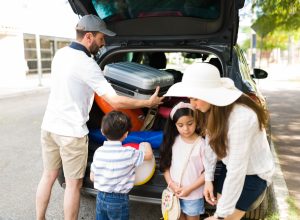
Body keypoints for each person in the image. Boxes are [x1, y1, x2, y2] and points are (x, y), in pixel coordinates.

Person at [36, 14, 163, 220]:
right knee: (73, 184)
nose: (103, 43)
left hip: (49, 126)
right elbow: (115, 102)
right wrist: (148, 103)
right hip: (71, 133)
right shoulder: (86, 63)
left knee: (48, 176)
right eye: (101, 38)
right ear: (88, 36)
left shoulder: (60, 54)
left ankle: (39, 218)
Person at [164, 63, 275, 220]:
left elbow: (237, 170)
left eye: (195, 98)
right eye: (190, 98)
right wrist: (208, 179)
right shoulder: (210, 109)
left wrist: (220, 216)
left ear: (210, 95)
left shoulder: (242, 118)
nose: (192, 104)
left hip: (253, 174)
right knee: (221, 207)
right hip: (228, 167)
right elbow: (211, 143)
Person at [90, 110, 153, 220]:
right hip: (119, 200)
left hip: (100, 197)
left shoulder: (99, 152)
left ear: (102, 132)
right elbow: (148, 156)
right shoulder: (129, 153)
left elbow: (92, 177)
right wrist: (146, 143)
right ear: (126, 134)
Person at [160, 101, 206, 220]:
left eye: (190, 123)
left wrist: (189, 188)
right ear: (174, 125)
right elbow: (166, 166)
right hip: (174, 193)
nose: (186, 129)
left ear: (196, 121)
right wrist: (171, 184)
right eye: (180, 125)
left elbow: (208, 172)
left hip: (193, 195)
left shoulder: (202, 144)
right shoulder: (173, 141)